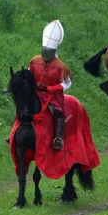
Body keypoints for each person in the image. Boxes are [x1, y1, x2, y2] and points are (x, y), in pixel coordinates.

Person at [28, 20, 72, 151]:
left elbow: (67, 83)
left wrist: (53, 88)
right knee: (23, 107)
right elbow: (29, 74)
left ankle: (58, 138)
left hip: (52, 96)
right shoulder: (34, 61)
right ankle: (14, 134)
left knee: (58, 112)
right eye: (44, 50)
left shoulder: (61, 67)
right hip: (36, 93)